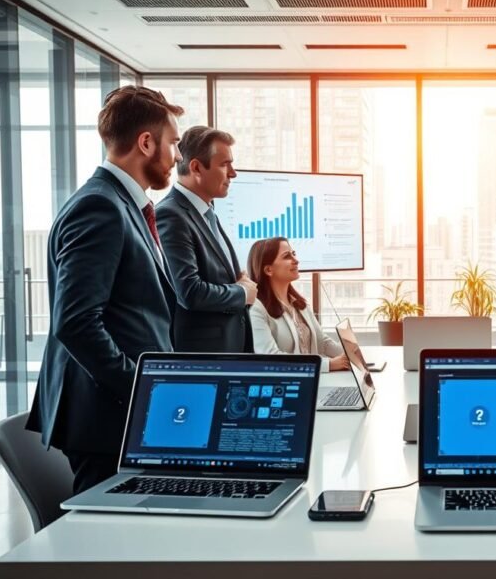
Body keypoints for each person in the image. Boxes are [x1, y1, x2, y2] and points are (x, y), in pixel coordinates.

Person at [26, 86, 183, 494]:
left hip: (121, 411)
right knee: (106, 550)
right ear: (146, 143)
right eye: (174, 144)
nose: (178, 157)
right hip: (107, 414)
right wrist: (142, 388)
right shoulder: (99, 207)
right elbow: (76, 322)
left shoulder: (123, 205)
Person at [156, 126, 256, 353]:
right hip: (202, 357)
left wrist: (239, 281)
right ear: (197, 168)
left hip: (227, 351)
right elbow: (189, 292)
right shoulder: (171, 215)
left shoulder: (207, 212)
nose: (233, 173)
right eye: (225, 164)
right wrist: (241, 293)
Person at [246, 237, 348, 372]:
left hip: (315, 379)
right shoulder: (257, 309)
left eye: (293, 254)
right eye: (287, 256)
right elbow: (270, 357)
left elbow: (322, 342)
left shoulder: (298, 303)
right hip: (288, 385)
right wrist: (328, 364)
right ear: (268, 270)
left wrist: (351, 356)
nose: (296, 260)